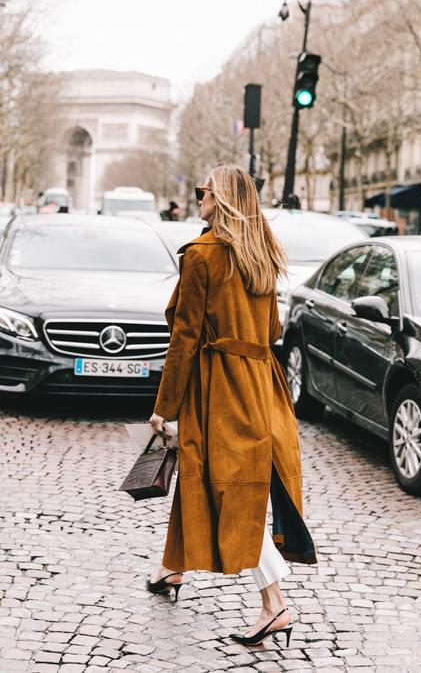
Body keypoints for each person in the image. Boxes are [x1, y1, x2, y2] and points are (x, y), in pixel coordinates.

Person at [148, 165, 317, 647]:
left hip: (218, 387)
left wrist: (166, 405)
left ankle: (274, 602)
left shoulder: (203, 256)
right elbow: (272, 332)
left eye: (203, 191)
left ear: (219, 199)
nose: (197, 197)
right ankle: (170, 567)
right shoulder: (261, 252)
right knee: (211, 476)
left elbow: (183, 335)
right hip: (260, 384)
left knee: (229, 490)